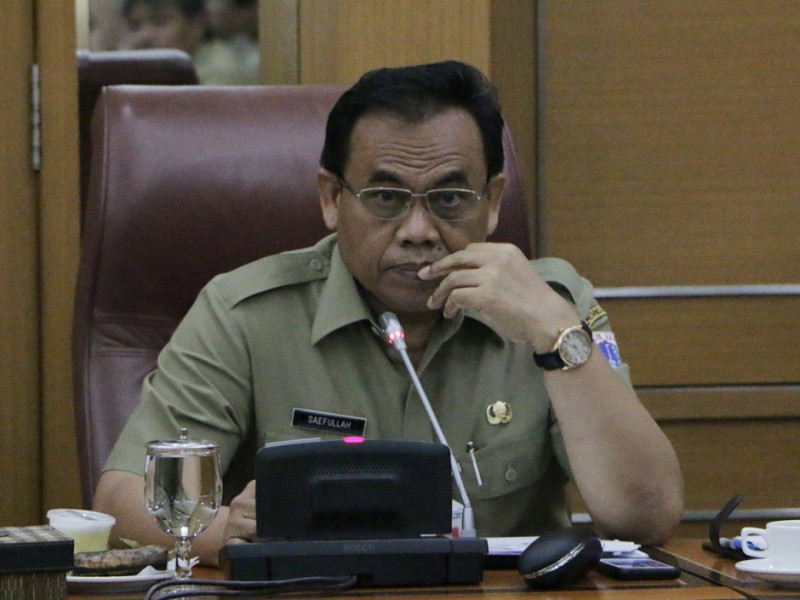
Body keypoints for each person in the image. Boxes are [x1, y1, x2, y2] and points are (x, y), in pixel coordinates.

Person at [94, 61, 684, 566]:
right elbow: (123, 501)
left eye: (449, 198)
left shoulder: (551, 306)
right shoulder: (247, 313)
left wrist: (557, 339)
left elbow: (646, 518)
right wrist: (229, 530)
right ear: (332, 199)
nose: (418, 231)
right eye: (385, 198)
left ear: (493, 202)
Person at [120, 0, 259, 85]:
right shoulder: (130, 67)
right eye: (135, 25)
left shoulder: (222, 72)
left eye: (160, 22)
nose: (144, 36)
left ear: (196, 25)